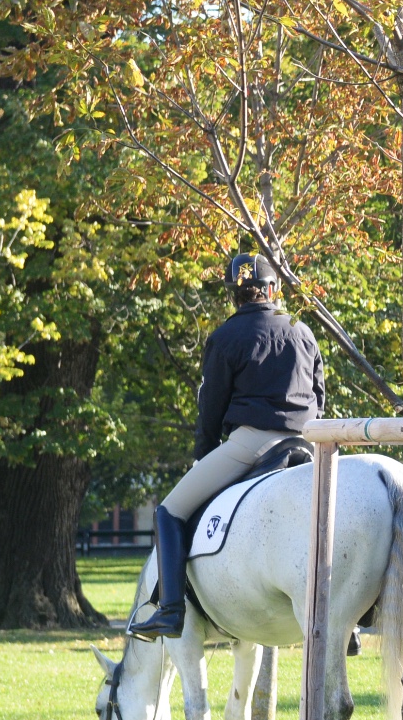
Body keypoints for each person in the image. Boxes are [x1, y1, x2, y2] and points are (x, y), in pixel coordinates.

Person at [128, 253, 326, 641]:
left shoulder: (225, 337)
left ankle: (169, 611)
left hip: (251, 444)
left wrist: (204, 454)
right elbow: (320, 394)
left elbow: (211, 410)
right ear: (273, 290)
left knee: (169, 512)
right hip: (308, 442)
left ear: (235, 296)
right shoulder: (304, 330)